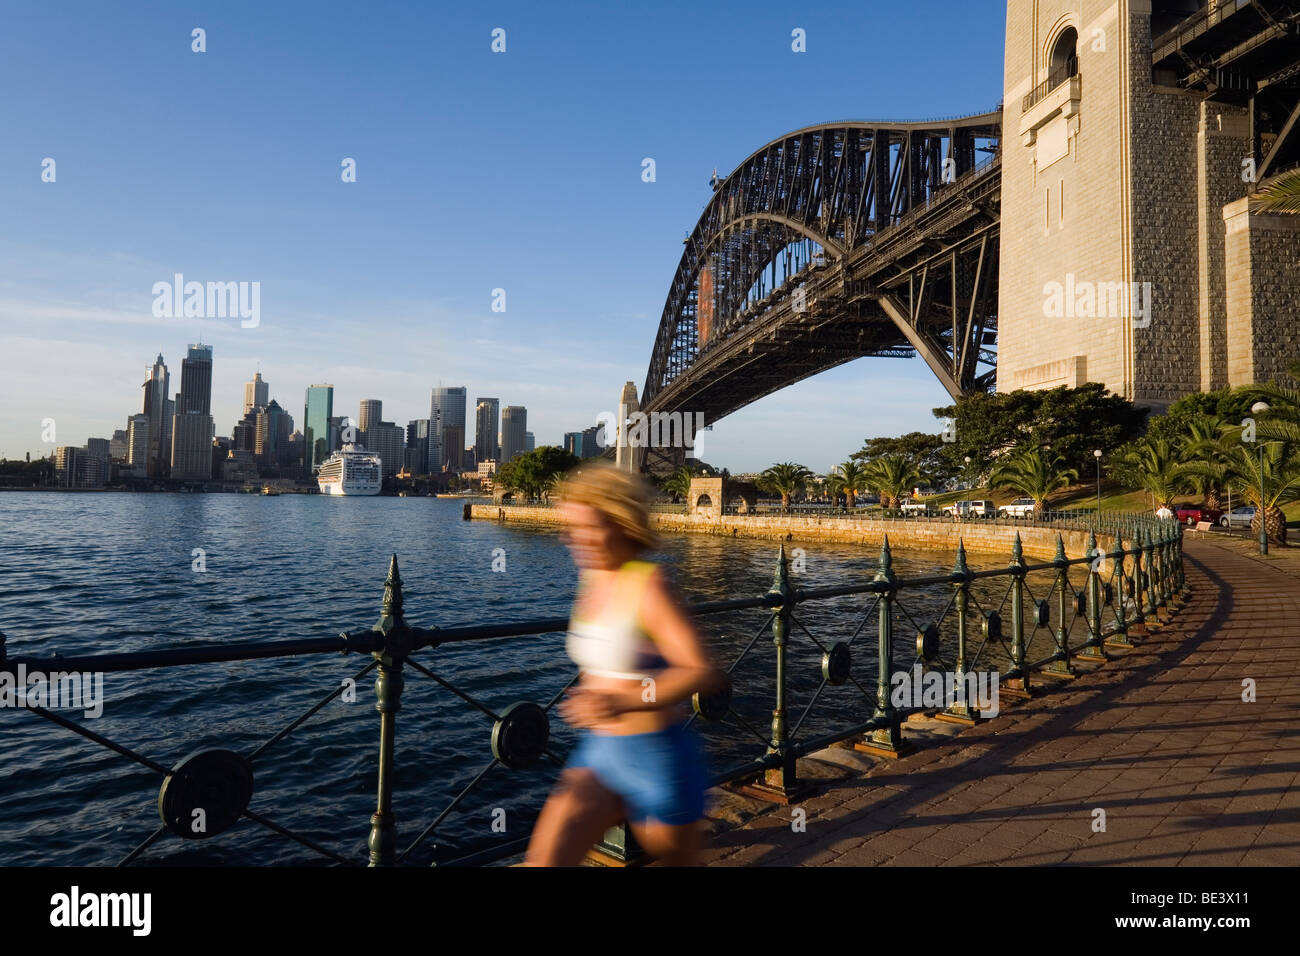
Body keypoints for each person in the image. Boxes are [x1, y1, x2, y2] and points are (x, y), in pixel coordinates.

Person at [525, 462, 724, 866]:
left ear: (620, 523)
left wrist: (620, 702)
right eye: (571, 527)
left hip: (657, 759)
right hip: (599, 754)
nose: (573, 539)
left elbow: (699, 670)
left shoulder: (649, 586)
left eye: (588, 527)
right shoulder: (592, 580)